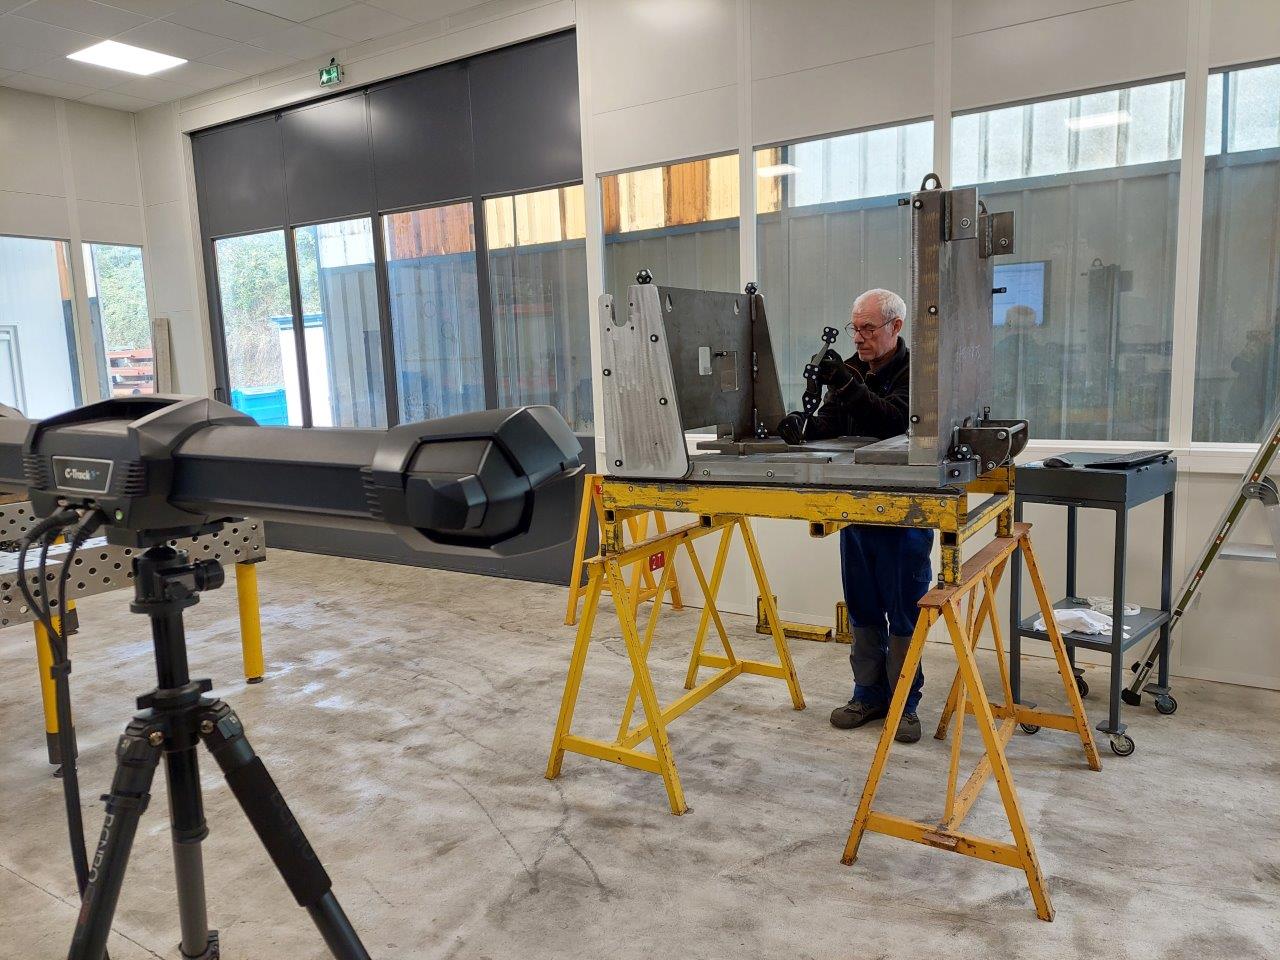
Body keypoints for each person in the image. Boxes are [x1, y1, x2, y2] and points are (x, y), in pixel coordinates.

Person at [775, 288, 931, 743]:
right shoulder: (852, 369)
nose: (859, 338)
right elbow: (832, 422)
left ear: (895, 327)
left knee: (904, 610)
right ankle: (867, 694)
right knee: (862, 606)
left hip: (904, 511)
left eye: (868, 328)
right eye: (855, 328)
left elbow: (893, 420)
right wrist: (801, 427)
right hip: (855, 507)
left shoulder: (918, 373)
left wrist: (846, 384)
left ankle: (904, 702)